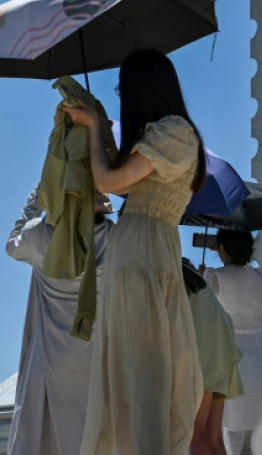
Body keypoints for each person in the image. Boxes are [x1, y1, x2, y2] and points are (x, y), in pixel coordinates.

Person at [63, 49, 207, 455]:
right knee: (139, 369)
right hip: (145, 248)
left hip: (143, 249)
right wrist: (100, 124)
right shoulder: (163, 134)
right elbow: (120, 179)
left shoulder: (174, 131)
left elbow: (109, 181)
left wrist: (93, 126)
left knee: (145, 372)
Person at [5, 187, 115, 455]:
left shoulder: (39, 235)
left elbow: (11, 246)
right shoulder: (114, 237)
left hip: (51, 357)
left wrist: (32, 205)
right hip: (99, 355)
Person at [200, 230, 262, 455]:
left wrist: (201, 276)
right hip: (257, 359)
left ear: (222, 249)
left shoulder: (215, 277)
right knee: (251, 437)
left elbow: (203, 311)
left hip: (230, 357)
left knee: (227, 430)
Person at [182, 258, 243, 455]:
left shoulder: (174, 278)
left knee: (194, 432)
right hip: (223, 350)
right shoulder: (199, 285)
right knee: (214, 436)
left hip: (204, 352)